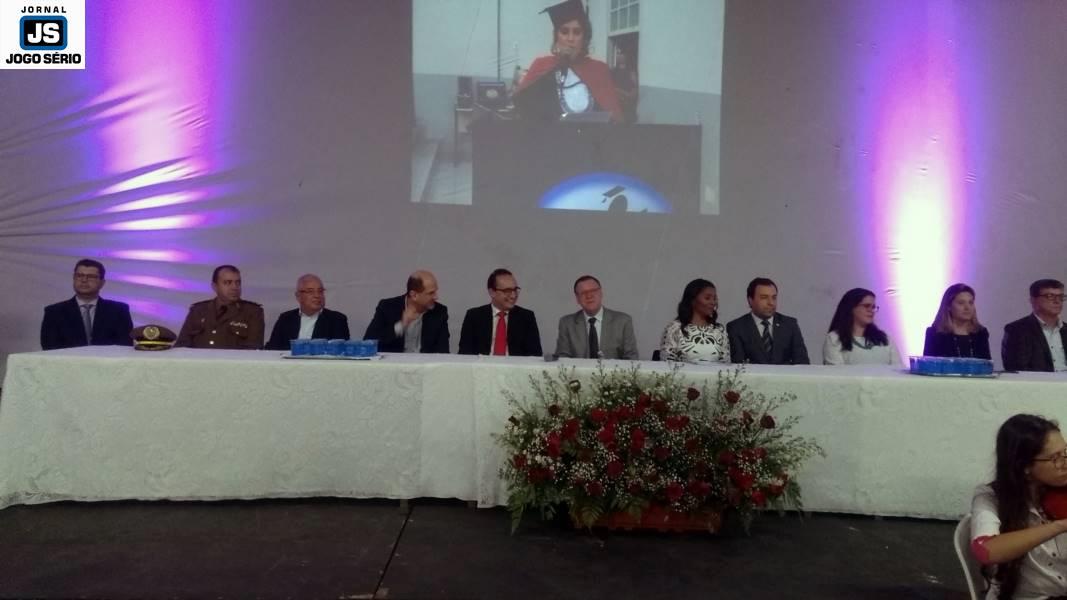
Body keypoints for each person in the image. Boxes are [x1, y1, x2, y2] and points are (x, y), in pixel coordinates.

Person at [970, 414, 1067, 600]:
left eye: (1065, 451)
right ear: (1025, 467)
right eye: (1055, 458)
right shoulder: (991, 497)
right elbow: (986, 550)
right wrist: (1059, 526)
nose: (1065, 463)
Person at [512, 0, 622, 122]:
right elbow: (523, 107)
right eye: (564, 32)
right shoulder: (541, 65)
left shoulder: (599, 69)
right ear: (556, 36)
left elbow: (614, 118)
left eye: (577, 32)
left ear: (584, 37)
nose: (570, 38)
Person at [40, 259, 134, 350]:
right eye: (79, 276)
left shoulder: (119, 311)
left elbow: (125, 345)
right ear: (74, 278)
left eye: (91, 276)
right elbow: (49, 347)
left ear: (102, 283)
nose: (84, 280)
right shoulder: (54, 312)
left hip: (108, 360)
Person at [176, 265, 264, 349]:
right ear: (215, 286)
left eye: (238, 283)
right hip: (197, 360)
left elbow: (253, 349)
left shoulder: (252, 312)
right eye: (228, 282)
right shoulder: (198, 311)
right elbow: (182, 346)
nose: (234, 287)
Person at [459, 268, 542, 356]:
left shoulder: (526, 317)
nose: (513, 295)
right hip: (482, 364)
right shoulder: (474, 316)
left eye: (515, 290)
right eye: (507, 291)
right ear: (492, 292)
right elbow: (465, 354)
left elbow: (535, 355)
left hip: (515, 364)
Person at [726, 277, 810, 365]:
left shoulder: (790, 325)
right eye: (764, 297)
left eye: (774, 297)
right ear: (750, 300)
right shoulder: (736, 328)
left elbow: (802, 363)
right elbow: (738, 366)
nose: (771, 303)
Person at [363, 270, 450, 353]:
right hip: (394, 362)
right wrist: (401, 325)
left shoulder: (440, 312)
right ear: (414, 295)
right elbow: (368, 343)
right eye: (431, 293)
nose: (436, 297)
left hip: (426, 363)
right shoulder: (387, 307)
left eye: (435, 292)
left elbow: (443, 351)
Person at [554, 275, 638, 360]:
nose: (589, 296)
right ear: (577, 299)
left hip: (614, 369)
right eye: (583, 293)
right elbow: (562, 359)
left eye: (593, 291)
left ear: (601, 293)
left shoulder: (623, 321)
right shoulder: (567, 323)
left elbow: (631, 358)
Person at [265, 274, 351, 351]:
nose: (317, 296)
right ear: (298, 296)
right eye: (310, 291)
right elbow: (272, 348)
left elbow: (339, 351)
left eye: (320, 291)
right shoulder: (286, 318)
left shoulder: (337, 319)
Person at [1002, 279, 1067, 372]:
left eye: (1060, 297)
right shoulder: (1017, 330)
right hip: (1038, 380)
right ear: (1033, 300)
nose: (1057, 301)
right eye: (1050, 296)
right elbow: (1016, 369)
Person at [659, 278, 730, 364]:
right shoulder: (675, 328)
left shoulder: (719, 330)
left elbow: (725, 363)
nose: (713, 302)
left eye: (714, 298)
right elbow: (667, 364)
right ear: (692, 300)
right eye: (707, 298)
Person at [821, 288, 898, 366]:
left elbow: (897, 368)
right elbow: (836, 372)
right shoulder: (834, 339)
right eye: (866, 306)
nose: (871, 310)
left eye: (873, 307)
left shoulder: (885, 338)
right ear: (851, 308)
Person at [923, 283, 992, 359]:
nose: (967, 307)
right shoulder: (934, 334)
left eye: (971, 303)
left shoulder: (981, 333)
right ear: (948, 306)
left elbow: (987, 363)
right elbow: (928, 364)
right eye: (961, 303)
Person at [611, 47, 638, 124]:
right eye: (618, 54)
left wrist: (631, 95)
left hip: (628, 104)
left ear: (626, 56)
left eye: (622, 54)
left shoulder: (631, 71)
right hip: (618, 102)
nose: (620, 56)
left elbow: (635, 87)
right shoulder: (613, 71)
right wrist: (623, 93)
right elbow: (611, 87)